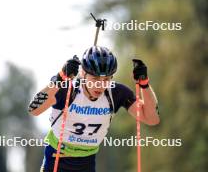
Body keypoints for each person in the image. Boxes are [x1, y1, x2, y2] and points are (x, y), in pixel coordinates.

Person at [28, 46, 160, 172]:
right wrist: (60, 77)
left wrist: (144, 84)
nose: (100, 85)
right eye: (95, 78)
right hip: (56, 160)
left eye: (106, 79)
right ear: (83, 73)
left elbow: (151, 119)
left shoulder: (115, 93)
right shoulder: (68, 89)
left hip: (86, 163)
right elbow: (34, 109)